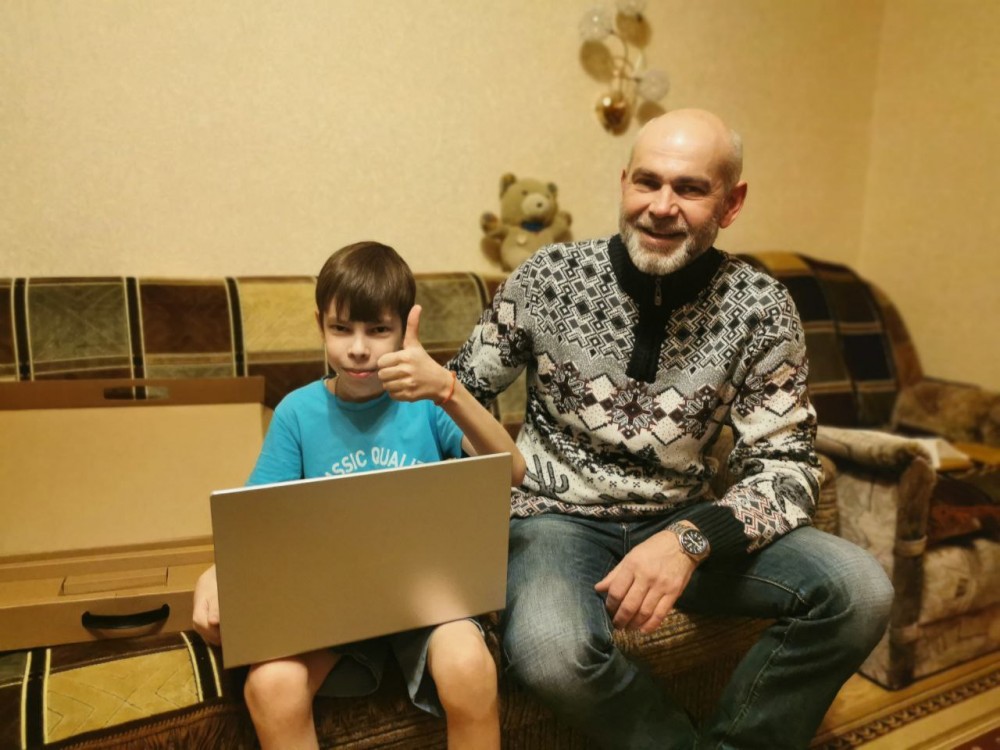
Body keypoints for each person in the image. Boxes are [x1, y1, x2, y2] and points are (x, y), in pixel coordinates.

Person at [449, 109, 894, 749]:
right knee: (550, 650)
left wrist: (691, 539)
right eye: (647, 182)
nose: (661, 206)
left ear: (731, 203)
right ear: (623, 182)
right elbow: (459, 391)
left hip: (682, 514)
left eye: (690, 188)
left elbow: (788, 467)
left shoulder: (761, 308)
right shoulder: (547, 278)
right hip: (553, 517)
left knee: (859, 592)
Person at [192, 241, 525, 750]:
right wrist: (215, 573)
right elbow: (253, 522)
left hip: (429, 601)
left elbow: (512, 471)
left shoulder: (428, 404)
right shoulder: (297, 413)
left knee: (469, 668)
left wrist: (447, 389)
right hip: (330, 610)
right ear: (320, 325)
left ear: (405, 329)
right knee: (270, 685)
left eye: (378, 330)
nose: (359, 348)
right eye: (341, 329)